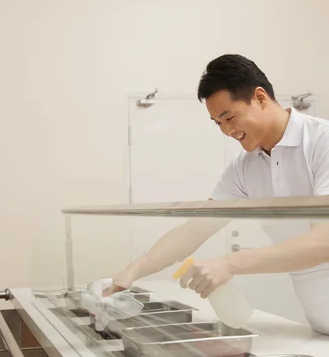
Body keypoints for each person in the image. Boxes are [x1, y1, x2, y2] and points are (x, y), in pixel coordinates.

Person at [106, 54, 329, 334]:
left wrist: (230, 263)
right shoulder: (244, 166)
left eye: (229, 118)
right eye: (218, 124)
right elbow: (195, 229)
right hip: (320, 324)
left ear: (260, 98)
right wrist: (133, 271)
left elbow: (323, 243)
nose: (227, 131)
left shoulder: (322, 143)